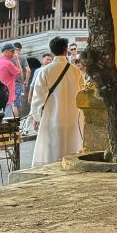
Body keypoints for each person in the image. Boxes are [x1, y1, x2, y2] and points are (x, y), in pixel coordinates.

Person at [31, 37, 85, 168]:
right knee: (72, 149)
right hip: (73, 118)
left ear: (51, 51)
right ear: (66, 50)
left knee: (52, 153)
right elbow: (83, 92)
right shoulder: (75, 70)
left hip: (52, 118)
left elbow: (38, 96)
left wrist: (36, 117)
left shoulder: (45, 70)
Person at [0, 43, 22, 117]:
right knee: (8, 120)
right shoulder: (8, 63)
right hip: (7, 95)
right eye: (12, 51)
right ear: (7, 51)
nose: (13, 53)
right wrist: (17, 60)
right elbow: (20, 74)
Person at [11, 42, 30, 117]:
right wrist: (26, 81)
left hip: (8, 84)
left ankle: (13, 123)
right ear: (20, 50)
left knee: (11, 105)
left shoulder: (8, 58)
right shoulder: (22, 58)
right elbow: (28, 70)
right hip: (18, 84)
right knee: (16, 105)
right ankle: (16, 124)